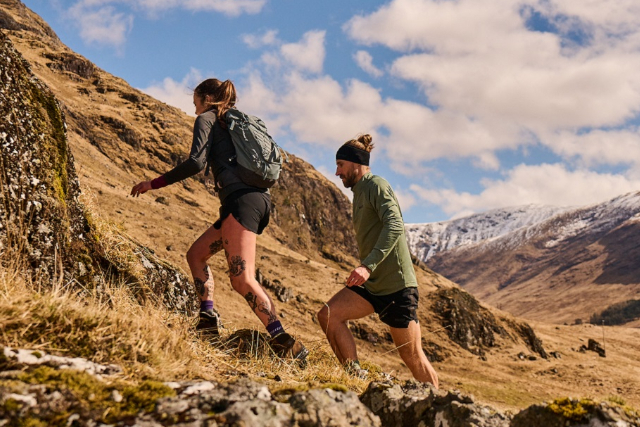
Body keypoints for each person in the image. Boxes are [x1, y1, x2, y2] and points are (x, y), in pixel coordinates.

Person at [130, 78, 308, 362]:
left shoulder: (208, 120)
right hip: (251, 202)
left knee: (242, 279)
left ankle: (285, 342)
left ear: (205, 99)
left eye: (195, 104)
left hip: (241, 203)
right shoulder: (233, 122)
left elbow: (196, 163)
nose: (194, 111)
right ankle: (207, 320)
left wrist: (153, 183)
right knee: (197, 255)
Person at [317, 134, 438, 387]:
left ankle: (439, 408)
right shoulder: (360, 192)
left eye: (340, 165)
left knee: (412, 357)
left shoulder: (376, 185)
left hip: (397, 287)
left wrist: (367, 265)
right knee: (328, 315)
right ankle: (354, 379)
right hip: (373, 287)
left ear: (356, 163)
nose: (337, 172)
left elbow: (395, 225)